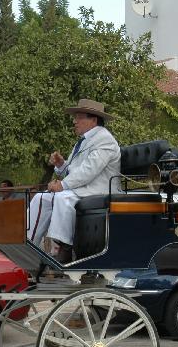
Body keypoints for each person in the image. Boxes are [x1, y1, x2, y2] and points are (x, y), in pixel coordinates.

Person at [27, 98, 121, 264]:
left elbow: (89, 171)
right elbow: (73, 170)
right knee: (42, 197)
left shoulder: (104, 139)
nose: (74, 121)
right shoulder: (85, 140)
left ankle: (64, 249)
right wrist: (61, 164)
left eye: (79, 117)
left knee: (63, 198)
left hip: (100, 190)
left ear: (93, 120)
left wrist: (62, 185)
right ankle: (27, 245)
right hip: (84, 188)